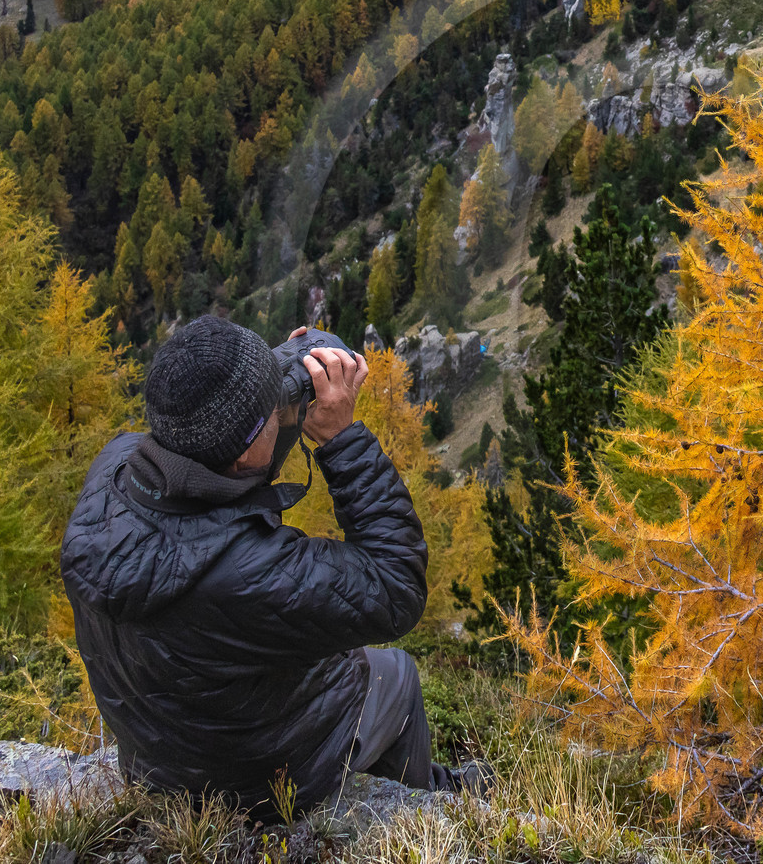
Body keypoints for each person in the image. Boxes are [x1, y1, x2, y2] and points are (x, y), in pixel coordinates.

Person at [61, 316, 470, 814]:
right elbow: (395, 585)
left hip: (156, 758)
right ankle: (423, 804)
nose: (283, 410)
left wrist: (261, 373)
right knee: (395, 674)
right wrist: (342, 441)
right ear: (242, 454)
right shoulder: (249, 572)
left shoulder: (114, 472)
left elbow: (213, 453)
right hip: (253, 780)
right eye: (272, 411)